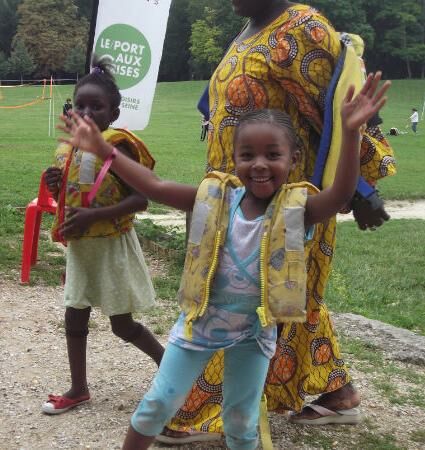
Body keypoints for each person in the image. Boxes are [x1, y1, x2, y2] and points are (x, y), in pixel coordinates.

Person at [58, 72, 390, 450]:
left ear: (293, 159)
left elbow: (340, 193)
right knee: (157, 404)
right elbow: (155, 186)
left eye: (273, 154)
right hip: (199, 325)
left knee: (240, 420)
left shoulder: (298, 210)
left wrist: (350, 133)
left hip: (253, 333)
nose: (259, 164)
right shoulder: (216, 200)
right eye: (247, 155)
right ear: (234, 160)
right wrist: (104, 151)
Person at [158, 0, 396, 441]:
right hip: (238, 197)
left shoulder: (303, 28)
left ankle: (203, 407)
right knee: (285, 296)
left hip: (287, 204)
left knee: (244, 293)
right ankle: (338, 393)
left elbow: (345, 104)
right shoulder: (250, 26)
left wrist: (363, 190)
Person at [41, 56, 164, 415]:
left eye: (96, 106)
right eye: (80, 105)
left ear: (113, 113)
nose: (87, 112)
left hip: (111, 246)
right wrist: (55, 185)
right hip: (82, 247)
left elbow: (140, 199)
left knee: (121, 324)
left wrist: (94, 215)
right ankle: (78, 388)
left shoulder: (118, 146)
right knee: (74, 316)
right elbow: (74, 191)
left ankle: (170, 368)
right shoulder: (71, 147)